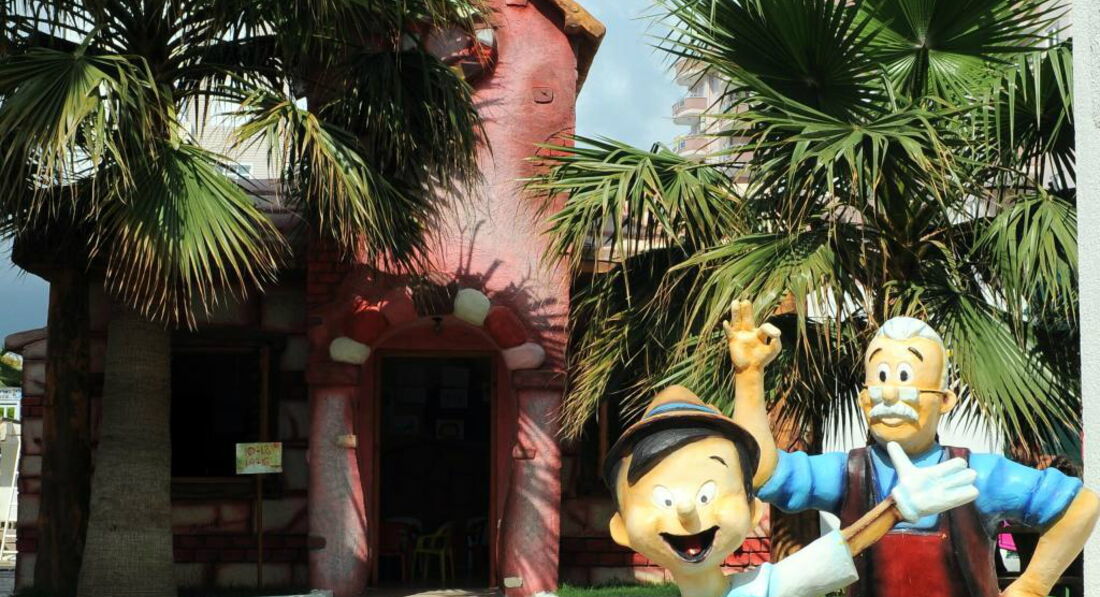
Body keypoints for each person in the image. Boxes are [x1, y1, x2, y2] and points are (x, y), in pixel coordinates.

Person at [602, 304, 980, 597]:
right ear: (621, 529)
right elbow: (771, 476)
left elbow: (841, 546)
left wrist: (895, 509)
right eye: (665, 500)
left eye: (706, 494)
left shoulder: (765, 587)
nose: (686, 510)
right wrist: (748, 376)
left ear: (753, 511)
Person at [726, 301, 1100, 597]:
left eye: (906, 378)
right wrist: (749, 376)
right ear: (865, 399)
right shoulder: (847, 474)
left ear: (945, 399)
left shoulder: (976, 476)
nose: (890, 393)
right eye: (881, 378)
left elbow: (1079, 505)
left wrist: (1031, 586)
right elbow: (763, 473)